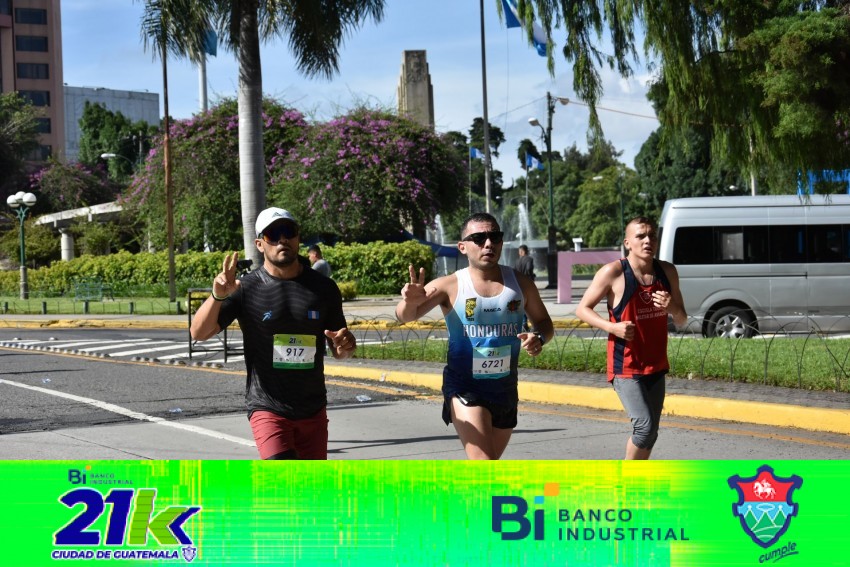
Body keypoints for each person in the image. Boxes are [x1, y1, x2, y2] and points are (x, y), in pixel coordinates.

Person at [190, 207, 356, 460]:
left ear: (298, 238)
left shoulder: (324, 288)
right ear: (259, 244)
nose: (282, 239)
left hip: (313, 408)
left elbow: (340, 349)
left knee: (311, 485)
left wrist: (346, 347)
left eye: (289, 232)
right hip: (267, 406)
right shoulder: (245, 288)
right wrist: (217, 296)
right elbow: (199, 333)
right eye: (273, 234)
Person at [395, 212, 554, 460]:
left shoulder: (521, 283)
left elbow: (545, 323)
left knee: (486, 467)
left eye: (495, 237)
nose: (488, 244)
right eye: (479, 238)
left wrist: (538, 338)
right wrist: (409, 302)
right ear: (462, 247)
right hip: (464, 387)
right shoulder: (450, 285)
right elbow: (405, 316)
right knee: (484, 462)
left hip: (505, 388)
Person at [575, 216, 687, 460]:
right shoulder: (614, 272)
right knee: (644, 428)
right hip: (625, 365)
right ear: (628, 243)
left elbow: (682, 319)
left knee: (651, 432)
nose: (648, 241)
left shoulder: (667, 272)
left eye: (652, 236)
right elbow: (582, 309)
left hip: (656, 364)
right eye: (640, 236)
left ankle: (635, 477)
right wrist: (612, 327)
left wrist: (672, 308)